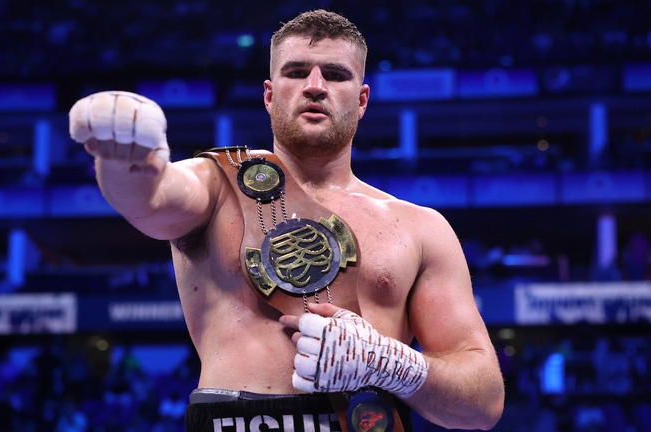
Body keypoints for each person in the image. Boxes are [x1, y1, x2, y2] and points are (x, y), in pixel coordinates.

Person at [68, 9, 504, 431]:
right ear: (269, 94)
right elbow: (151, 198)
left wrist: (392, 363)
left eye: (335, 75)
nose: (315, 86)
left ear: (363, 99)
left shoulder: (420, 228)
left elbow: (482, 403)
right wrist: (123, 155)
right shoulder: (219, 184)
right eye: (297, 72)